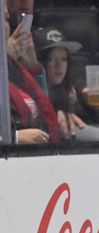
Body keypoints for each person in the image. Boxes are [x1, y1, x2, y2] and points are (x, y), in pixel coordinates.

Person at [34, 27, 99, 142]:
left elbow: (90, 119)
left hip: (92, 128)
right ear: (39, 61)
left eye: (64, 59)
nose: (59, 65)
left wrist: (91, 105)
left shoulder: (73, 88)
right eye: (50, 59)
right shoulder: (33, 91)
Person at [4, 3, 60, 144]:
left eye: (5, 19)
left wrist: (32, 68)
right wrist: (15, 138)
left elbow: (43, 106)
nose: (4, 26)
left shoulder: (13, 66)